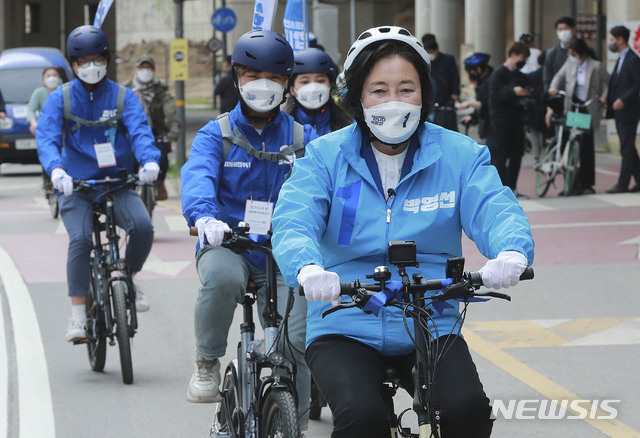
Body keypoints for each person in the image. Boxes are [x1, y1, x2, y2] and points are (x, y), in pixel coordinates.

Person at [271, 25, 534, 438]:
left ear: (424, 94)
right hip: (343, 320)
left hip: (432, 317)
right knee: (362, 420)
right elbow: (294, 219)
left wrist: (512, 251)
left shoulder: (459, 154)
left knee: (468, 411)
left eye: (406, 88)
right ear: (357, 95)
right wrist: (306, 268)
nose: (393, 102)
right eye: (379, 90)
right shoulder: (324, 157)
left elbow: (493, 206)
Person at [180, 29, 317, 432]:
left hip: (285, 248)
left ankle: (296, 426)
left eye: (274, 77)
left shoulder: (300, 138)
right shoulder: (216, 135)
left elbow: (321, 189)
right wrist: (205, 217)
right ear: (236, 77)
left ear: (287, 82)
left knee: (298, 340)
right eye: (252, 74)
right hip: (230, 244)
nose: (263, 85)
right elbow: (197, 176)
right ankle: (207, 361)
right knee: (221, 279)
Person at [36, 25, 160, 342]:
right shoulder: (59, 99)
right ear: (73, 65)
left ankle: (129, 280)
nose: (90, 67)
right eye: (82, 61)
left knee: (143, 226)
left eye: (96, 59)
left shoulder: (124, 96)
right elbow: (47, 138)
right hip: (75, 186)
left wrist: (150, 160)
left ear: (106, 59)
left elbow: (140, 131)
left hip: (117, 183)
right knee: (80, 241)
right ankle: (77, 316)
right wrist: (56, 171)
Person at [546, 37, 609, 196]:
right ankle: (570, 183)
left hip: (587, 107)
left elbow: (610, 82)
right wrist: (553, 87)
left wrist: (604, 97)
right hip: (572, 107)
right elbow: (558, 76)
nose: (571, 56)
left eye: (573, 53)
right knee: (568, 143)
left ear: (581, 53)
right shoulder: (570, 63)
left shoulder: (596, 66)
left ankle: (586, 183)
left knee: (586, 146)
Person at [125, 55, 179, 201]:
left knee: (162, 158)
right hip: (133, 133)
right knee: (129, 161)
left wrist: (173, 130)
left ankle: (159, 183)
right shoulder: (127, 89)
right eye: (142, 68)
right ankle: (129, 190)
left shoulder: (161, 90)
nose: (145, 71)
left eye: (148, 68)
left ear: (154, 70)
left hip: (157, 132)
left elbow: (170, 111)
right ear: (136, 69)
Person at [489, 42, 532, 198]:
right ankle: (500, 189)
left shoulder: (521, 76)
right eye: (522, 58)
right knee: (501, 156)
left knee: (516, 155)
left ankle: (512, 188)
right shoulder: (499, 73)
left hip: (517, 121)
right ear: (513, 55)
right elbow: (495, 96)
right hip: (501, 122)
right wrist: (513, 91)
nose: (523, 61)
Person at [284, 47, 352, 136]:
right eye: (305, 82)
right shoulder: (282, 128)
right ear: (292, 89)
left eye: (320, 81)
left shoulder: (349, 126)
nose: (313, 88)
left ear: (330, 86)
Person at [605, 25, 640, 194]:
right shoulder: (621, 58)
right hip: (618, 111)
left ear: (620, 39)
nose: (610, 43)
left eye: (612, 39)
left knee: (626, 148)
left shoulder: (633, 59)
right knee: (628, 148)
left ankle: (623, 183)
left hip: (628, 111)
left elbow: (637, 84)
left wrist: (623, 99)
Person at [421, 33, 460, 131]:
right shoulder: (425, 62)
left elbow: (455, 77)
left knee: (449, 125)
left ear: (436, 50)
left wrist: (456, 92)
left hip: (447, 96)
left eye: (430, 52)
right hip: (432, 98)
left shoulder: (448, 59)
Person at [459, 52, 494, 152]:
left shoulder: (490, 82)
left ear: (479, 69)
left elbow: (484, 104)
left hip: (495, 126)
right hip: (488, 125)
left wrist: (468, 104)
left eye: (471, 71)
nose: (470, 75)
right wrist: (473, 116)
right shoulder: (482, 82)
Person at [543, 16, 575, 90]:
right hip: (558, 94)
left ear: (573, 29)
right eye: (560, 29)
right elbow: (547, 77)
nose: (563, 32)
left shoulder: (584, 50)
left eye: (566, 29)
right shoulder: (552, 53)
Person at [28, 68, 62, 135]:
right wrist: (33, 123)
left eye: (54, 75)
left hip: (62, 128)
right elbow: (30, 110)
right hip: (45, 129)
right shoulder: (40, 92)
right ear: (43, 79)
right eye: (48, 76)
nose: (52, 78)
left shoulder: (63, 91)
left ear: (59, 78)